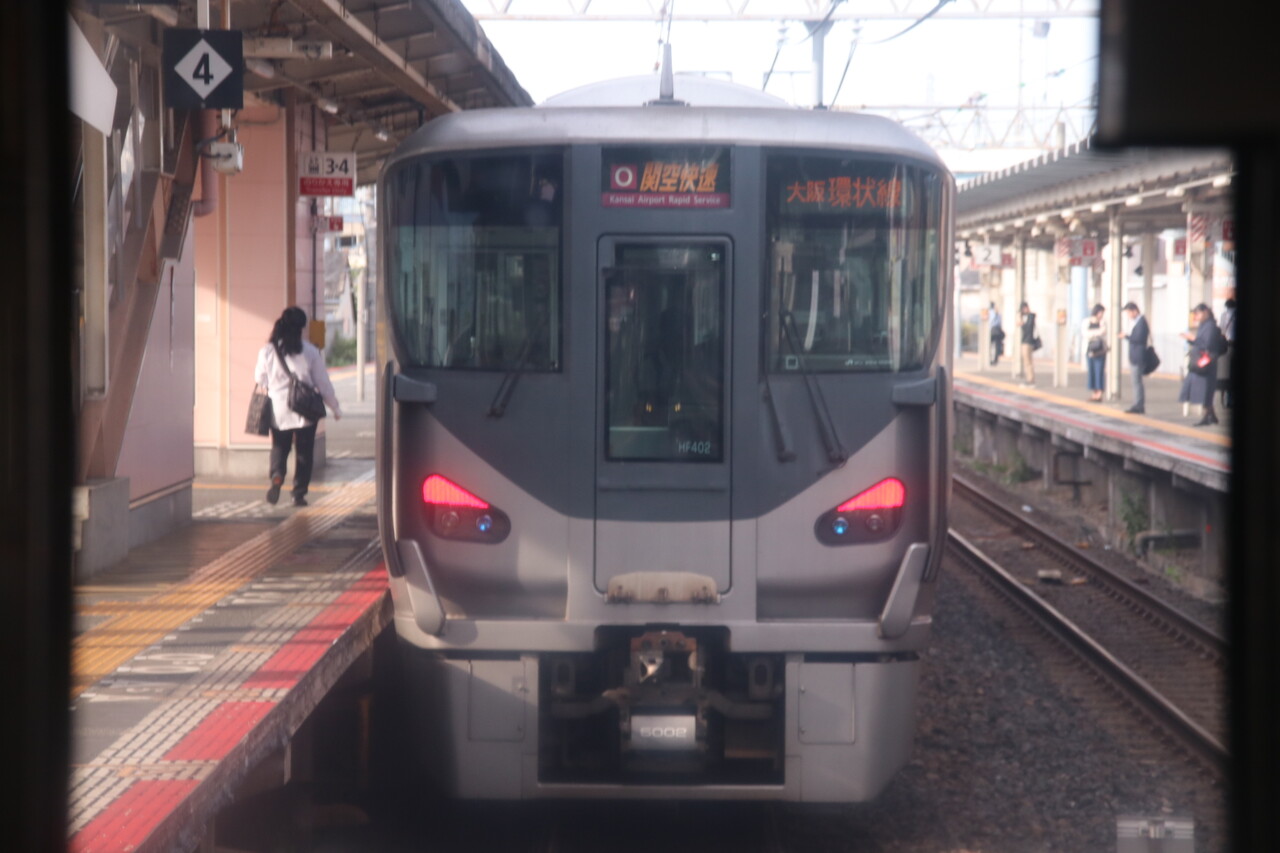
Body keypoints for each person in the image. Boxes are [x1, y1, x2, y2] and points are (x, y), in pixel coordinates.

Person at [254, 307, 342, 506]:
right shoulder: (310, 351)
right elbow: (323, 383)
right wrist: (335, 408)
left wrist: (275, 386)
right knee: (304, 452)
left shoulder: (267, 351)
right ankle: (298, 493)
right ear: (302, 328)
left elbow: (260, 378)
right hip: (305, 409)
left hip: (279, 410)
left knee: (279, 447)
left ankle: (277, 476)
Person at [1178, 303, 1221, 426]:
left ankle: (1207, 416)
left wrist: (1193, 339)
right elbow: (1201, 342)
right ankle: (1211, 415)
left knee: (1205, 390)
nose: (1196, 316)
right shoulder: (1204, 325)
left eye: (1198, 313)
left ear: (1205, 312)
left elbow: (1207, 344)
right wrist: (1190, 339)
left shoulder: (1210, 326)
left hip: (1206, 363)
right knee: (1204, 390)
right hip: (1201, 362)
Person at [1117, 302, 1150, 414]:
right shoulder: (1137, 322)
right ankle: (1137, 404)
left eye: (1128, 313)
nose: (1128, 315)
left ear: (1135, 311)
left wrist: (1126, 336)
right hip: (1135, 356)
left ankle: (1139, 405)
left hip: (1138, 357)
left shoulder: (1141, 322)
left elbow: (1139, 338)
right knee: (1135, 381)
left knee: (1137, 382)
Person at [1083, 304, 1108, 401]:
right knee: (1092, 372)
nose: (1101, 315)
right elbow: (1085, 334)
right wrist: (1097, 333)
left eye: (1102, 313)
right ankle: (1094, 393)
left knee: (1099, 371)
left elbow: (1103, 332)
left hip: (1100, 351)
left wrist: (1092, 333)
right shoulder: (1086, 321)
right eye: (1100, 312)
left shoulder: (1103, 322)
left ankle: (1099, 393)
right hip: (1089, 350)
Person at [1218, 297, 1236, 408]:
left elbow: (1222, 330)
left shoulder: (1224, 315)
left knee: (1227, 372)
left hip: (1228, 346)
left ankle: (1226, 398)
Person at [1017, 302, 1037, 385]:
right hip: (1025, 341)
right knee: (1027, 361)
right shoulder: (1027, 317)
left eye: (1024, 308)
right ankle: (1029, 378)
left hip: (1028, 342)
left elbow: (1027, 328)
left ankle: (1030, 379)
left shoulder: (1031, 316)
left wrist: (1021, 323)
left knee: (1028, 362)